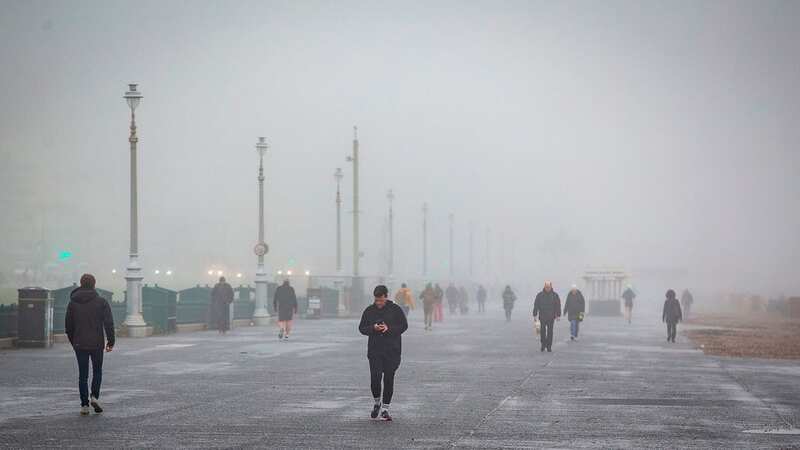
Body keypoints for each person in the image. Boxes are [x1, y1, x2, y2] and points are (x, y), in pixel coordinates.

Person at [65, 274, 115, 416]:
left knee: (83, 375)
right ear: (94, 284)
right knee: (97, 371)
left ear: (81, 284)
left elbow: (68, 326)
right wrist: (111, 341)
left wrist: (73, 341)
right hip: (96, 343)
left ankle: (84, 405)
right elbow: (108, 323)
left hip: (79, 343)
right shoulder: (101, 302)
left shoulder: (72, 302)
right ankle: (94, 396)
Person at [358, 285, 408, 421]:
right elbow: (361, 328)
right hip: (375, 350)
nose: (378, 303)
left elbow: (404, 326)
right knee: (375, 377)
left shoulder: (395, 309)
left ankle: (385, 409)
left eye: (381, 300)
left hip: (392, 350)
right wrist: (373, 328)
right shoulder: (369, 311)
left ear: (386, 296)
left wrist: (389, 328)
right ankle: (376, 402)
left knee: (388, 379)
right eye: (376, 300)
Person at [533, 281, 561, 352]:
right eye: (546, 287)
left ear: (551, 287)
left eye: (548, 287)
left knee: (550, 332)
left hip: (551, 317)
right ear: (544, 287)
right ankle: (543, 344)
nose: (547, 288)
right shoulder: (540, 295)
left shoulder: (555, 295)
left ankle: (549, 346)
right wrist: (535, 314)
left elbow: (558, 305)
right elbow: (536, 305)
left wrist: (558, 315)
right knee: (542, 331)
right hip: (542, 316)